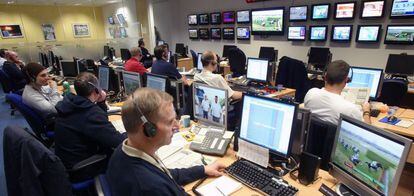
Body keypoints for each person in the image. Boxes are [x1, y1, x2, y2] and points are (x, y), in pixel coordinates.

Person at [106, 88, 226, 195]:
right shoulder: (150, 187)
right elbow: (160, 182)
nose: (177, 125)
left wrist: (203, 170)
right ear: (148, 130)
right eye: (170, 122)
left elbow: (164, 175)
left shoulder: (123, 151)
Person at [54, 72, 126, 181]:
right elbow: (117, 141)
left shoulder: (71, 103)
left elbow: (101, 125)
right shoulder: (90, 114)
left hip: (67, 161)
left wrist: (101, 102)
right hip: (80, 168)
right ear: (96, 90)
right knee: (124, 151)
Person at [304, 60, 371, 125]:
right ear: (346, 80)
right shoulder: (351, 109)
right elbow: (368, 131)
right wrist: (366, 111)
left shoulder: (311, 93)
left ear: (325, 76)